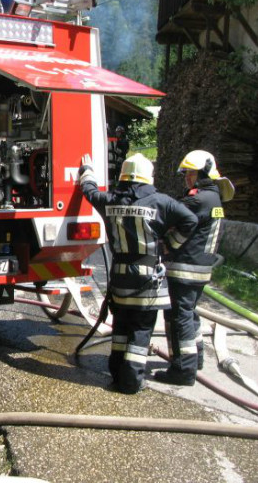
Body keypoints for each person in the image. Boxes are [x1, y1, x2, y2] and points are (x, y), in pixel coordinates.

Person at [78, 153, 197, 393]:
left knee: (121, 327)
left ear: (123, 176)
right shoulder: (162, 202)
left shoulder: (109, 200)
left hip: (120, 277)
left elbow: (89, 190)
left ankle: (117, 375)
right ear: (148, 177)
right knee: (140, 330)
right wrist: (170, 244)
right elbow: (191, 220)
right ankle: (131, 381)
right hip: (148, 279)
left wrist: (87, 170)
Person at [154, 150, 234, 386]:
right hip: (200, 266)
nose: (187, 178)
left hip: (185, 267)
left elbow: (172, 218)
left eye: (190, 173)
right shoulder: (214, 198)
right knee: (189, 312)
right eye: (186, 174)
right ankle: (195, 358)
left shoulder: (198, 200)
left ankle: (183, 370)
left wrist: (167, 242)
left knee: (179, 317)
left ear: (203, 173)